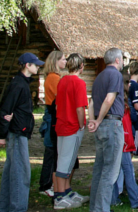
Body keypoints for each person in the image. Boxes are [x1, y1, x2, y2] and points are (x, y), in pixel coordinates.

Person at [0, 52, 43, 212]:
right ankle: (17, 208)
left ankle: (5, 208)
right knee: (21, 173)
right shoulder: (18, 84)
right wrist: (2, 134)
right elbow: (6, 109)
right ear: (27, 65)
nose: (38, 67)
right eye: (35, 64)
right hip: (17, 133)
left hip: (18, 131)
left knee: (12, 172)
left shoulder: (22, 83)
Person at [89, 47, 127, 212]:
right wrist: (97, 120)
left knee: (99, 168)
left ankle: (95, 207)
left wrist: (93, 121)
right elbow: (110, 99)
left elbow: (91, 102)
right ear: (117, 60)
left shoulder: (99, 76)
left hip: (101, 126)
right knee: (110, 172)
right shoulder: (116, 75)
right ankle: (101, 209)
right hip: (111, 124)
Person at [111, 70, 138, 210]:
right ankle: (137, 201)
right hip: (122, 140)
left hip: (122, 139)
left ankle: (113, 199)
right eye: (128, 82)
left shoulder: (120, 98)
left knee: (114, 170)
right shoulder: (119, 101)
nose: (130, 84)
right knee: (127, 170)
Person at [54, 54, 88, 209]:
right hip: (72, 126)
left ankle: (66, 191)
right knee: (66, 161)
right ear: (81, 66)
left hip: (61, 124)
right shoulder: (79, 83)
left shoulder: (62, 81)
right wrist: (82, 125)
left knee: (64, 157)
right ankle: (59, 196)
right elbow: (80, 108)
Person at [39, 50, 66, 198]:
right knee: (51, 151)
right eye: (63, 59)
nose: (65, 62)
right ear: (56, 61)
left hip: (51, 114)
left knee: (52, 151)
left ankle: (47, 183)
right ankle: (46, 184)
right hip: (52, 115)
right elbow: (59, 97)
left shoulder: (53, 77)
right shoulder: (54, 78)